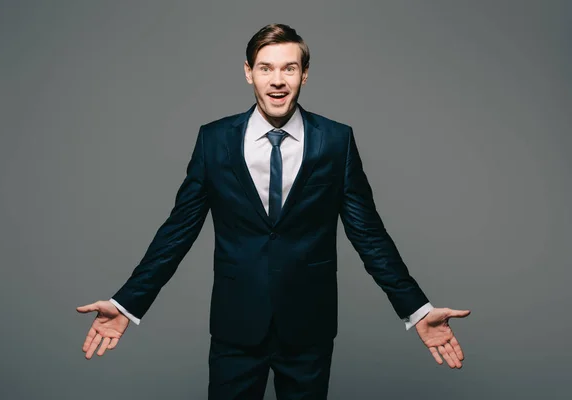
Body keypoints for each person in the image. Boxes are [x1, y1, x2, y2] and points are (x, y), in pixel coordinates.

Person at [77, 23, 470, 399]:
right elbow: (177, 232)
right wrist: (127, 304)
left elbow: (369, 236)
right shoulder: (214, 140)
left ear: (305, 75)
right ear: (249, 73)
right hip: (236, 326)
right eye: (266, 68)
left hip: (308, 328)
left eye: (289, 68)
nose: (277, 80)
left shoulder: (336, 141)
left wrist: (417, 310)